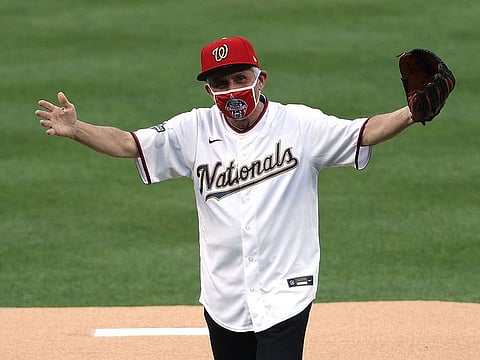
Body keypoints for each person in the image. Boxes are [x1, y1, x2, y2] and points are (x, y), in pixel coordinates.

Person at [36, 37, 421, 360]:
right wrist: (77, 129)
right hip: (224, 295)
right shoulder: (193, 128)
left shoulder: (300, 124)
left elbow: (365, 132)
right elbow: (128, 143)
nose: (232, 90)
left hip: (284, 289)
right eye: (221, 83)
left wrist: (411, 111)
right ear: (209, 90)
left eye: (240, 78)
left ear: (261, 79)